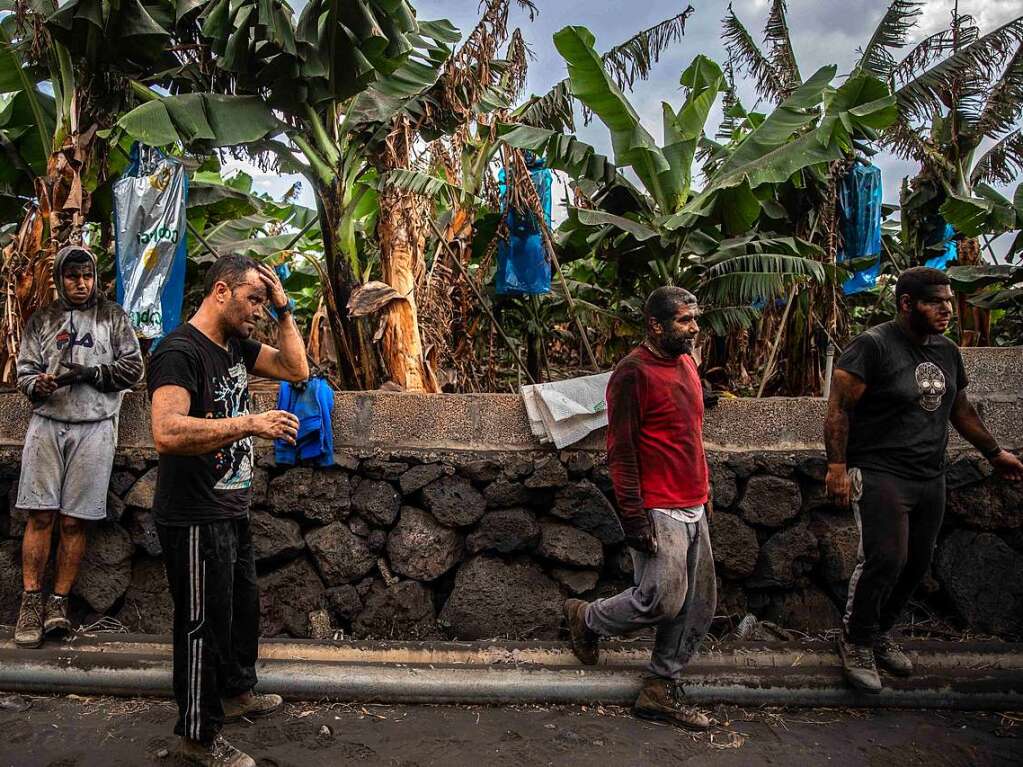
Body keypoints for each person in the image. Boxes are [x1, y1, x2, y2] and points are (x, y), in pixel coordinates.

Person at [825, 266, 1023, 693]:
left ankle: (880, 633)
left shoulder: (948, 351)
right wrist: (837, 467)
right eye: (936, 302)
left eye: (949, 302)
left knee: (917, 564)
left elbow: (960, 409)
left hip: (929, 475)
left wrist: (994, 452)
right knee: (886, 558)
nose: (946, 309)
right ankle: (855, 640)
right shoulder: (872, 346)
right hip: (879, 471)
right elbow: (838, 408)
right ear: (907, 303)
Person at [148, 254, 308, 767]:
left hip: (230, 506)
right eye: (254, 300)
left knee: (239, 611)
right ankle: (197, 737)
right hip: (194, 513)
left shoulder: (235, 346)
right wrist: (248, 423)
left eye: (264, 302)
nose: (258, 311)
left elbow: (297, 368)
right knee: (202, 625)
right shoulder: (178, 351)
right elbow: (167, 431)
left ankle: (237, 694)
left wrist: (285, 309)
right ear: (221, 291)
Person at [563, 286, 716, 730]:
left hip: (694, 498)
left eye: (694, 319)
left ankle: (659, 687)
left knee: (697, 604)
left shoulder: (686, 362)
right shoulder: (632, 373)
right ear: (655, 325)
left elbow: (685, 424)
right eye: (685, 321)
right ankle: (586, 617)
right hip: (658, 504)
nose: (694, 328)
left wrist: (705, 497)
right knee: (661, 601)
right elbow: (622, 451)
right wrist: (632, 516)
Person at [13, 245, 143, 648]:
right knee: (40, 517)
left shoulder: (114, 317)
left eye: (87, 275)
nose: (81, 283)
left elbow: (134, 368)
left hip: (96, 426)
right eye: (73, 276)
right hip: (48, 424)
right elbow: (24, 372)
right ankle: (30, 602)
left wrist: (89, 373)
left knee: (74, 520)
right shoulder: (44, 319)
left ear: (95, 277)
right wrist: (40, 384)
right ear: (59, 279)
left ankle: (59, 603)